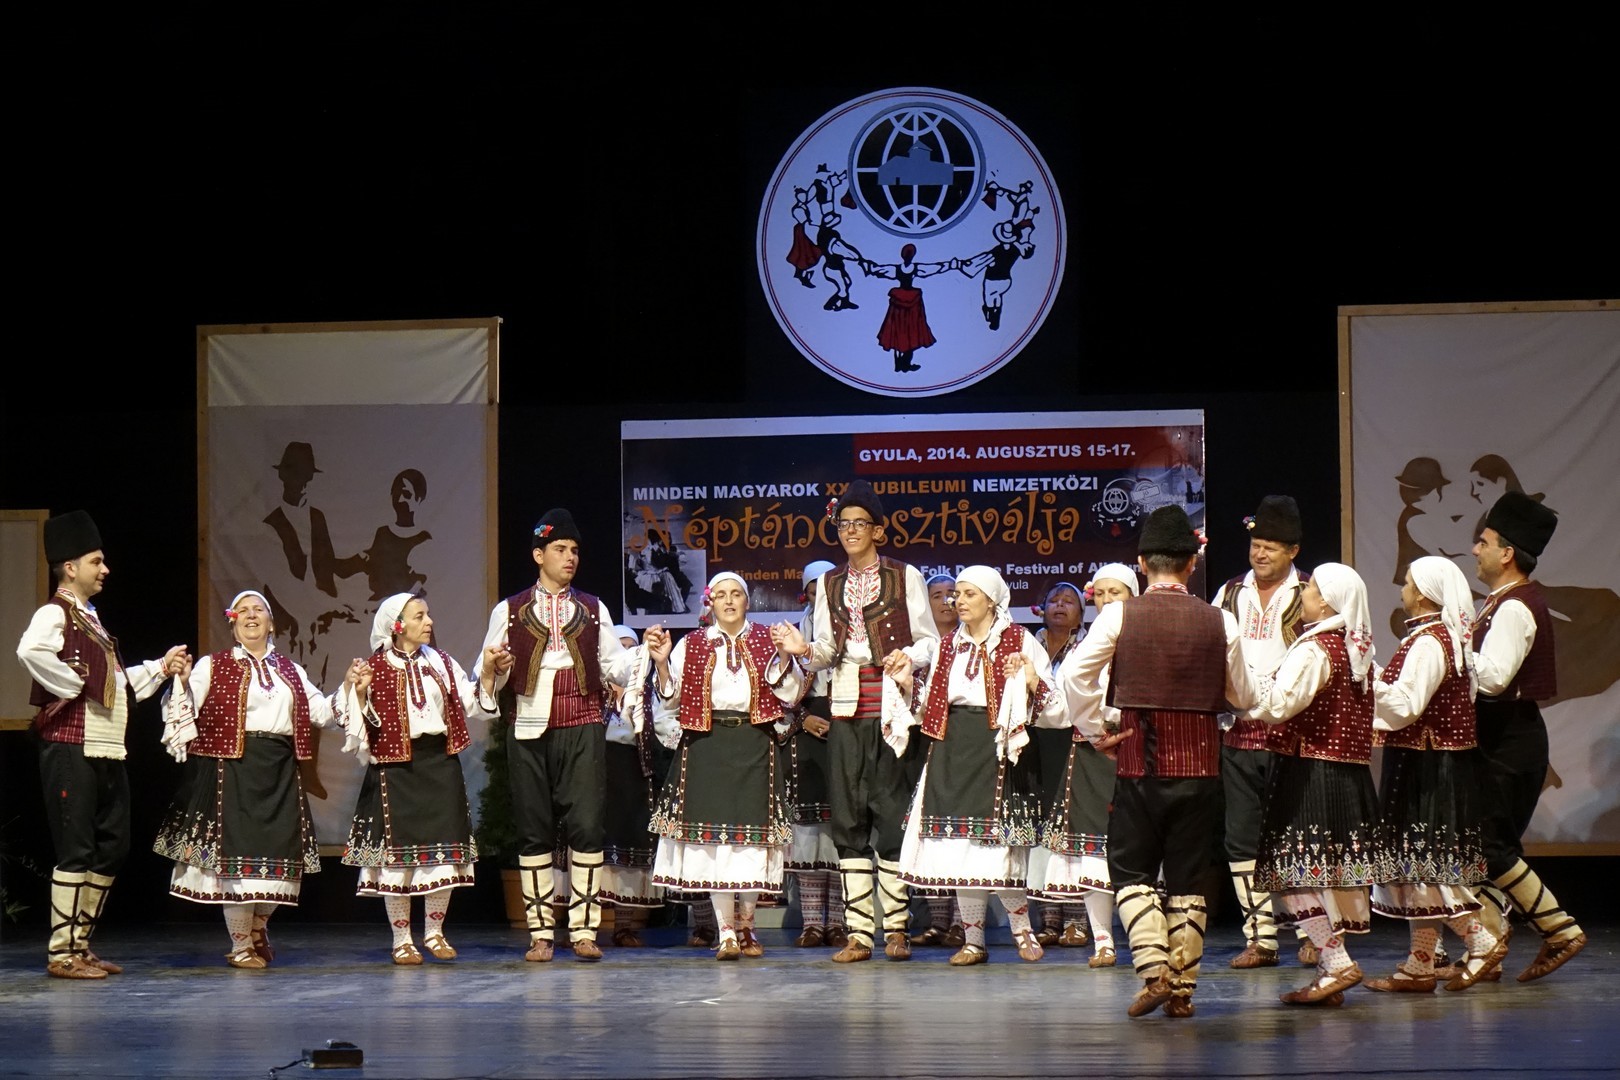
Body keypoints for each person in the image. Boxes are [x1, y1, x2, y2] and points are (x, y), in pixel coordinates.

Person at [1060, 505, 1257, 1019]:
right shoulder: (1221, 619)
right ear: (1192, 564)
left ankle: (1155, 973)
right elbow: (1244, 696)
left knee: (1131, 869)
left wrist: (1096, 728)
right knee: (1189, 877)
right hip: (1201, 768)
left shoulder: (1120, 615)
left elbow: (1075, 677)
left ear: (1143, 563)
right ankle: (1183, 990)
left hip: (1139, 764)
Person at [17, 511, 188, 980]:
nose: (105, 569)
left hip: (107, 747)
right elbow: (30, 650)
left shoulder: (90, 619)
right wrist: (70, 683)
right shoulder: (55, 612)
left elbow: (113, 684)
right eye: (96, 561)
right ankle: (61, 953)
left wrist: (160, 667)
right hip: (70, 746)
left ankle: (80, 943)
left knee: (113, 846)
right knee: (76, 848)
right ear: (70, 567)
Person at [773, 480, 939, 963]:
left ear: (878, 530)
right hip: (845, 707)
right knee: (847, 818)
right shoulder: (830, 584)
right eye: (843, 524)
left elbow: (929, 641)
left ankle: (897, 929)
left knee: (890, 813)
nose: (849, 531)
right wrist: (803, 649)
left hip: (891, 707)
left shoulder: (905, 576)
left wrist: (908, 657)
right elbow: (827, 650)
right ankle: (860, 934)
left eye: (859, 524)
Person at [475, 508, 647, 962]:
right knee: (534, 828)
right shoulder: (510, 611)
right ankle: (540, 933)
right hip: (529, 727)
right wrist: (493, 667)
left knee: (587, 825)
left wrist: (646, 657)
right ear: (539, 555)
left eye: (574, 550)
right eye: (560, 549)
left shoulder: (592, 609)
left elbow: (616, 666)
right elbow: (485, 671)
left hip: (583, 723)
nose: (570, 557)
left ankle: (585, 930)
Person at [152, 591, 336, 968]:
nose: (250, 616)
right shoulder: (212, 665)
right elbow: (181, 709)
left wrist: (352, 689)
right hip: (232, 770)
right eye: (242, 611)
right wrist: (182, 683)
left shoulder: (291, 670)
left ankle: (257, 928)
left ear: (271, 623)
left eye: (258, 610)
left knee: (281, 856)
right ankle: (240, 946)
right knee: (236, 864)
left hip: (279, 769)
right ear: (232, 622)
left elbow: (321, 712)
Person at [892, 566, 1053, 965]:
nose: (958, 601)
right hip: (952, 746)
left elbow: (1053, 704)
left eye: (968, 594)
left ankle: (1022, 929)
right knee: (960, 849)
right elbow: (931, 704)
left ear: (992, 600)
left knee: (999, 848)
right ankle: (973, 941)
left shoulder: (1019, 640)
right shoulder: (948, 645)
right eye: (957, 595)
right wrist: (909, 683)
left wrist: (1032, 680)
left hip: (996, 744)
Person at [1363, 556, 1503, 992]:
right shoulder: (1437, 638)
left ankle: (1480, 941)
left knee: (1425, 868)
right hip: (1430, 761)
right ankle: (1420, 964)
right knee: (1420, 867)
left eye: (1407, 583)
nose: (1403, 589)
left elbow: (1407, 705)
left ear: (1423, 595)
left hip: (1426, 766)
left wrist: (1365, 680)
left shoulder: (1429, 642)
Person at [649, 573, 804, 959]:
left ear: (747, 602)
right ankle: (728, 933)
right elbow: (670, 698)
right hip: (708, 744)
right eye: (721, 595)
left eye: (736, 594)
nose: (729, 601)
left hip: (755, 743)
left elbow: (790, 693)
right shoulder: (692, 643)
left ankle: (748, 926)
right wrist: (663, 664)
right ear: (711, 602)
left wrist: (785, 656)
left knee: (751, 841)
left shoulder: (767, 638)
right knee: (715, 843)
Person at [1244, 564, 1380, 1005]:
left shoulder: (1316, 649)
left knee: (1294, 873)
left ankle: (1336, 961)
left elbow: (1280, 704)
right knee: (1325, 875)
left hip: (1309, 773)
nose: (1303, 592)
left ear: (1326, 603)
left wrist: (1240, 687)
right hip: (1343, 775)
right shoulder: (1355, 650)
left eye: (1312, 588)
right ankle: (1328, 972)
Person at [338, 593, 499, 964]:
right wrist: (359, 694)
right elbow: (354, 723)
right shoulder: (373, 667)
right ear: (397, 626)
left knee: (443, 853)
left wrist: (489, 672)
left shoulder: (441, 661)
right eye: (419, 616)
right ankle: (401, 938)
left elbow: (473, 702)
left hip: (439, 763)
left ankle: (434, 932)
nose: (429, 622)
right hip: (395, 769)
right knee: (398, 861)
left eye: (428, 614)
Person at [1469, 492, 1586, 980]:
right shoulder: (1500, 602)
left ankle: (1560, 929)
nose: (1475, 549)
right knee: (1481, 848)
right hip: (1501, 737)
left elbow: (1495, 678)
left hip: (1510, 739)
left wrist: (1451, 653)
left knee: (1490, 846)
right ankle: (1487, 948)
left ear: (1507, 553)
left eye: (1484, 541)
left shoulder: (1515, 607)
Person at [1213, 495, 1314, 969]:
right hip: (1238, 731)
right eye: (1256, 544)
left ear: (1293, 550)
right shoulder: (1231, 592)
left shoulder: (1311, 593)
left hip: (1292, 733)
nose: (1260, 553)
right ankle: (1261, 937)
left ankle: (1314, 933)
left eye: (1271, 546)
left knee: (1296, 835)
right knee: (1241, 837)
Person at [1029, 568, 1136, 968]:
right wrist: (1095, 731)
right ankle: (1103, 940)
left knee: (1137, 845)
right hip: (1093, 750)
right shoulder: (1087, 647)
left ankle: (1145, 939)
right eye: (1101, 593)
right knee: (1091, 848)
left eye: (1116, 592)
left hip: (1138, 746)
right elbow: (1067, 701)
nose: (1107, 600)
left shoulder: (1142, 639)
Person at [780, 561, 847, 949]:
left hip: (844, 727)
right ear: (803, 593)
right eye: (812, 589)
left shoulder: (849, 630)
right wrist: (803, 718)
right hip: (804, 736)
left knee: (841, 829)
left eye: (826, 589)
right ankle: (810, 923)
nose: (819, 596)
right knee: (808, 832)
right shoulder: (792, 633)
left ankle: (837, 922)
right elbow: (775, 688)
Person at [598, 624, 674, 946]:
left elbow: (665, 724)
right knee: (594, 847)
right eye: (621, 649)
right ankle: (582, 928)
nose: (628, 655)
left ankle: (624, 926)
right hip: (598, 770)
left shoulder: (647, 692)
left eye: (633, 648)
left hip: (634, 771)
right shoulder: (596, 692)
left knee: (630, 846)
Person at [1028, 579, 1092, 950]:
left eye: (1069, 601)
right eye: (1054, 599)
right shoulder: (1028, 645)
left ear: (1081, 615)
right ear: (1043, 608)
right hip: (1035, 744)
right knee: (1040, 829)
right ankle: (1049, 919)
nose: (1060, 605)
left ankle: (1077, 921)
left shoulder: (1087, 647)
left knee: (1071, 827)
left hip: (1073, 741)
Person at [909, 571, 964, 948]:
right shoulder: (918, 648)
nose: (946, 601)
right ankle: (937, 920)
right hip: (921, 742)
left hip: (960, 744)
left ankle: (962, 921)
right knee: (929, 830)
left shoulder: (968, 644)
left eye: (952, 594)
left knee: (961, 829)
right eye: (937, 595)